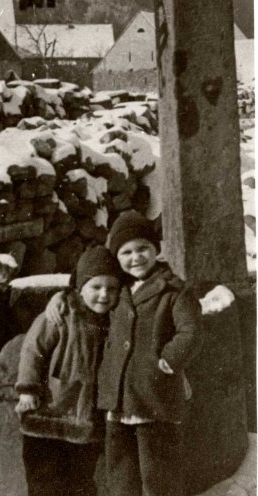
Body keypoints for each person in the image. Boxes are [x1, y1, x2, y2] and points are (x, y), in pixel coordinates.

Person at [46, 210, 202, 496]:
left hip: (154, 397)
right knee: (120, 473)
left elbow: (190, 332)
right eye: (126, 252)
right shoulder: (120, 289)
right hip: (116, 400)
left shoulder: (174, 291)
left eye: (143, 248)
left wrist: (168, 360)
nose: (136, 258)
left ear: (157, 249)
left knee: (159, 475)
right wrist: (62, 296)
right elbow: (88, 283)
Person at [15, 246, 124, 496]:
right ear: (79, 288)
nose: (104, 295)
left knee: (81, 483)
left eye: (111, 288)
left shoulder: (116, 320)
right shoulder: (62, 314)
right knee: (44, 482)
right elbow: (33, 350)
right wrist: (27, 390)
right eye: (95, 287)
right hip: (48, 414)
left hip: (86, 422)